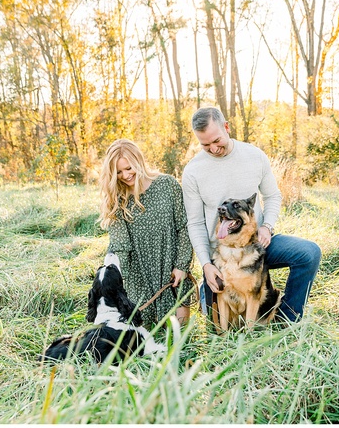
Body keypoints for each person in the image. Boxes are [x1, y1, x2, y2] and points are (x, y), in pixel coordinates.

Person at [181, 106, 321, 323]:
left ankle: (286, 319)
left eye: (217, 141)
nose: (214, 149)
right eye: (205, 145)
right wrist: (206, 265)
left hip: (257, 246)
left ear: (226, 127)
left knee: (309, 253)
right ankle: (205, 290)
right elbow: (196, 223)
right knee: (214, 324)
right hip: (221, 256)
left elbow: (273, 196)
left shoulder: (254, 156)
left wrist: (268, 227)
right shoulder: (192, 171)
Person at [99, 139, 195, 327]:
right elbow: (120, 245)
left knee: (180, 337)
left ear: (138, 161)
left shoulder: (167, 185)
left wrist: (182, 265)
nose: (125, 175)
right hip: (138, 273)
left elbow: (183, 226)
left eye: (129, 168)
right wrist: (121, 283)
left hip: (171, 266)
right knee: (143, 339)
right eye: (118, 172)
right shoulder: (117, 199)